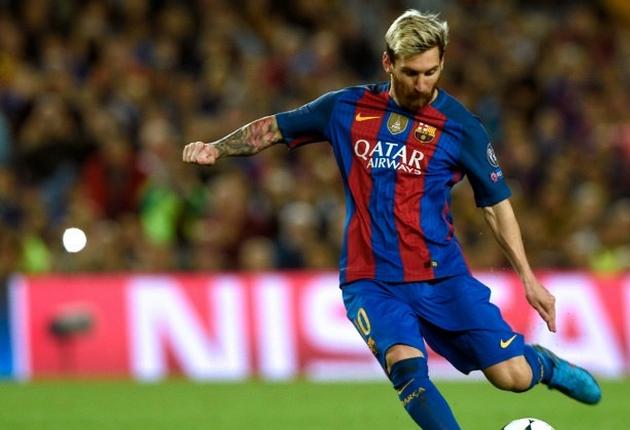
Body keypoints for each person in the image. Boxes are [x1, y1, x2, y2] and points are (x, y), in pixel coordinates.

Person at [183, 10, 601, 429]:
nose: (422, 84)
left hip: (441, 275)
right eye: (411, 72)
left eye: (431, 72)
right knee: (406, 368)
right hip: (371, 278)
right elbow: (274, 128)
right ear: (388, 62)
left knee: (512, 377)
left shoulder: (460, 127)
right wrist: (217, 148)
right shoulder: (345, 108)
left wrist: (528, 277)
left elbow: (494, 204)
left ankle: (542, 366)